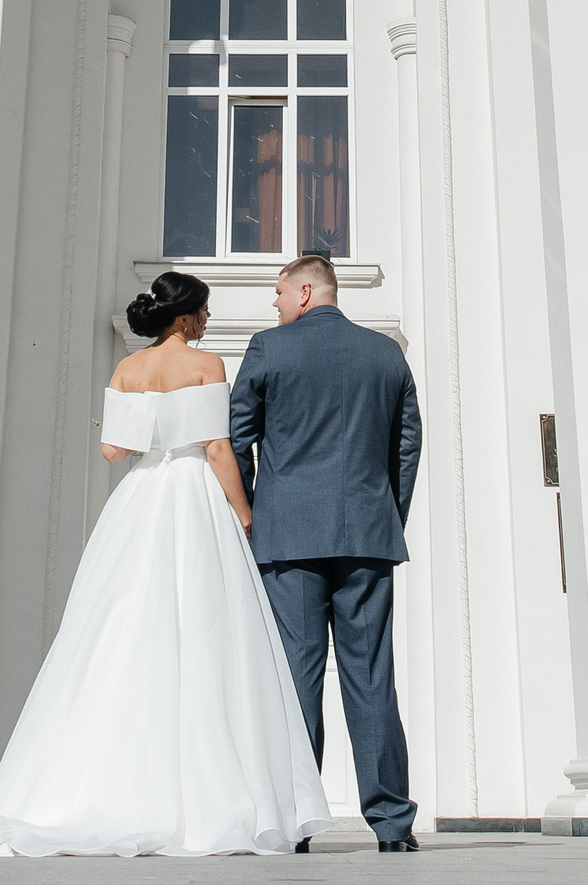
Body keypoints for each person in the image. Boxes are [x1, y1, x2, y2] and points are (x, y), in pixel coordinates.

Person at [0, 271, 331, 857]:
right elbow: (218, 448)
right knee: (206, 625)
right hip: (192, 493)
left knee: (121, 621)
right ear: (185, 317)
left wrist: (150, 425)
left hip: (141, 497)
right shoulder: (207, 364)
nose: (208, 320)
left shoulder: (127, 369)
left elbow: (112, 450)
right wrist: (244, 513)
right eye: (204, 311)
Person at [230, 254, 423, 852]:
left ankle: (296, 821)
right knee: (372, 676)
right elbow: (407, 445)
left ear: (307, 292)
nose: (275, 303)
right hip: (367, 535)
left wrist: (250, 513)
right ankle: (392, 824)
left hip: (288, 536)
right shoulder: (386, 354)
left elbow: (237, 437)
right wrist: (385, 514)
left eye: (280, 292)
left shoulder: (269, 349)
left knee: (296, 675)